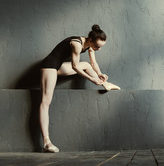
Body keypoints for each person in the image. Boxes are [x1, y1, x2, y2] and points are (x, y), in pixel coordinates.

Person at [39, 24, 120, 153]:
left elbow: (93, 63)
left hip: (59, 65)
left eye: (100, 47)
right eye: (97, 46)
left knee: (87, 65)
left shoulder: (90, 44)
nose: (98, 49)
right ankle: (47, 142)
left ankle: (106, 84)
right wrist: (92, 79)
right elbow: (75, 67)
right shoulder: (76, 44)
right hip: (49, 66)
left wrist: (99, 74)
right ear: (90, 40)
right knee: (45, 102)